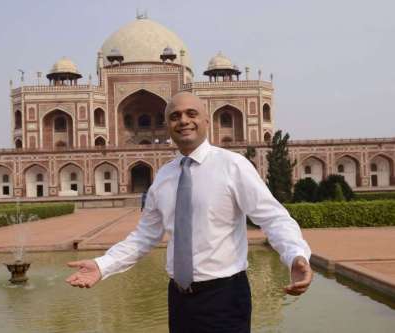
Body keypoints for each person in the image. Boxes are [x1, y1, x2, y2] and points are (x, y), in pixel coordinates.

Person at [66, 91, 313, 333]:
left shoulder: (232, 166)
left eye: (191, 113)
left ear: (206, 120)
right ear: (167, 125)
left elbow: (272, 217)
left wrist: (295, 255)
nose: (183, 120)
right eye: (175, 116)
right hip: (180, 297)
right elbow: (144, 236)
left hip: (224, 297)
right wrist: (103, 265)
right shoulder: (164, 176)